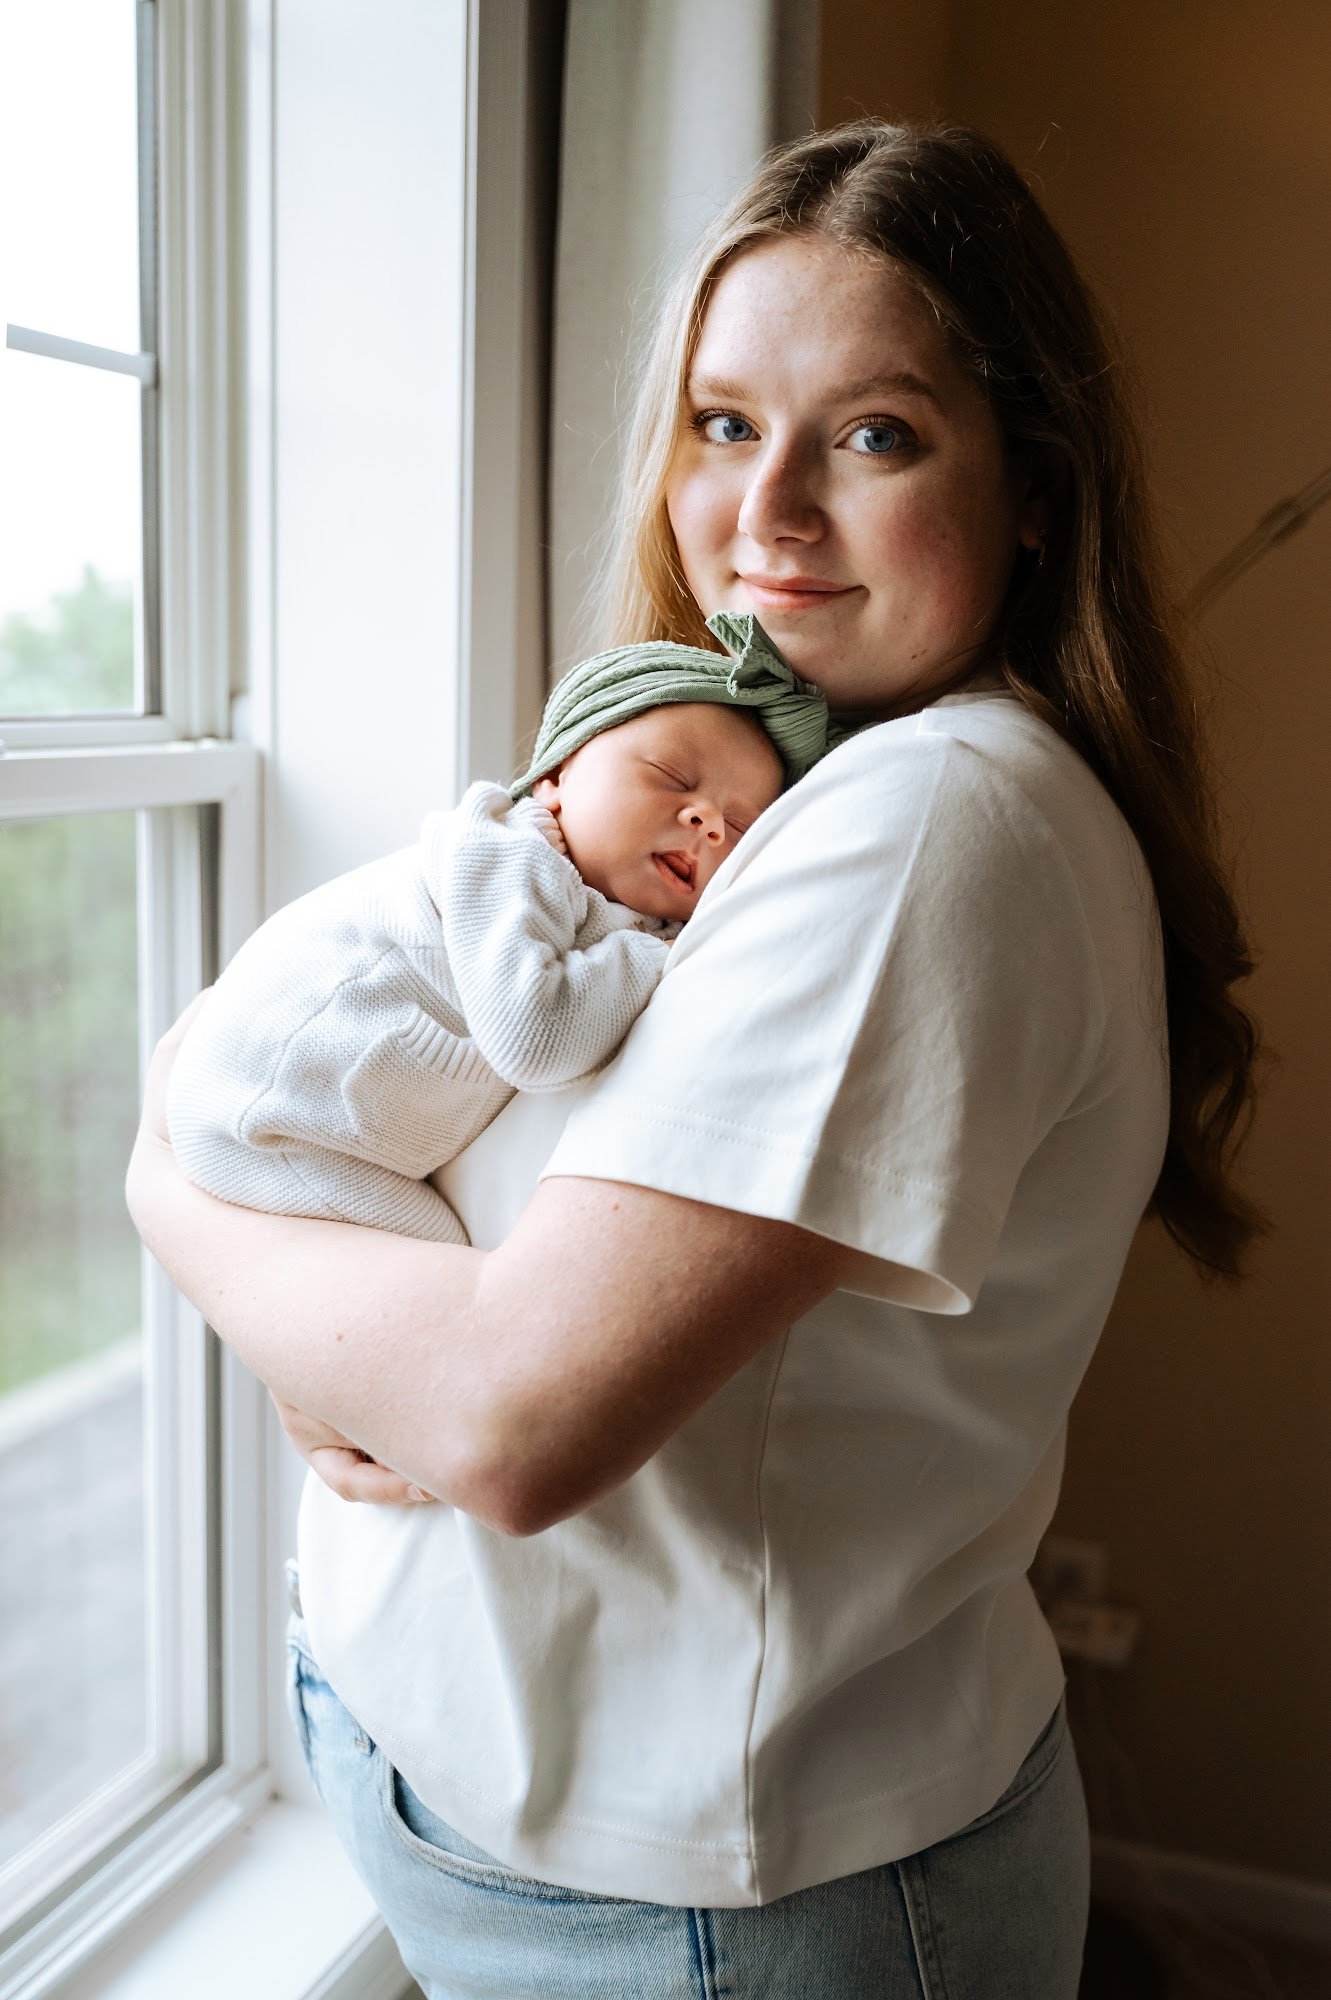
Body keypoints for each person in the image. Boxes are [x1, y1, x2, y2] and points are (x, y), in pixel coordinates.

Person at [126, 120, 1261, 1999]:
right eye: (724, 426)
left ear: (1035, 482)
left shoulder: (930, 828)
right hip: (539, 1825)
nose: (768, 518)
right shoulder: (749, 793)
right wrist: (343, 1339)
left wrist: (175, 1176)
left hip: (711, 1913)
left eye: (875, 435)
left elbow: (511, 1422)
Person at [166, 612, 822, 1259]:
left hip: (325, 1128)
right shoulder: (504, 853)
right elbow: (536, 1041)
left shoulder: (604, 902)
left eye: (739, 828)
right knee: (452, 1284)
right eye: (672, 778)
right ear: (556, 775)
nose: (706, 821)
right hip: (265, 1124)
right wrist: (659, 954)